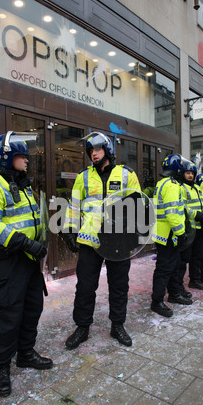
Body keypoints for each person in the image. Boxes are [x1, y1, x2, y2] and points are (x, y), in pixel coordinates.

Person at [0, 132, 52, 397]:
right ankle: (1, 366)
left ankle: (26, 353)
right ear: (6, 156)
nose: (27, 160)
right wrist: (27, 244)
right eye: (22, 155)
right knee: (9, 317)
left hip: (29, 262)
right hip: (8, 263)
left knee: (32, 309)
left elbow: (30, 219)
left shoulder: (22, 183)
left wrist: (41, 241)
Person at [63, 131, 141, 349]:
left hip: (119, 241)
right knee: (85, 286)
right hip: (90, 240)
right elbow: (74, 206)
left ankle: (118, 325)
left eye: (97, 149)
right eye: (90, 151)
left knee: (119, 285)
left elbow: (137, 206)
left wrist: (133, 234)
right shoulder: (83, 177)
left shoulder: (127, 174)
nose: (94, 154)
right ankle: (82, 327)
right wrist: (69, 229)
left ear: (107, 149)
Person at [150, 154, 191, 319]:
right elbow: (173, 213)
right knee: (164, 269)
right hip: (168, 234)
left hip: (164, 234)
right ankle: (157, 301)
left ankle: (174, 293)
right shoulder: (172, 185)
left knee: (171, 266)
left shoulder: (162, 183)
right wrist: (181, 233)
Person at [178, 160, 203, 292]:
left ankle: (195, 280)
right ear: (183, 174)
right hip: (189, 229)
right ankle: (179, 285)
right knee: (184, 258)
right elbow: (182, 206)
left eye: (192, 173)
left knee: (198, 256)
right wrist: (196, 215)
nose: (190, 176)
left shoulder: (197, 188)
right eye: (188, 173)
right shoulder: (181, 188)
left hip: (199, 228)